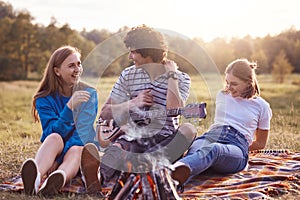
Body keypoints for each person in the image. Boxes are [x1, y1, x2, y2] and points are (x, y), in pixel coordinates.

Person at [81, 24, 197, 189]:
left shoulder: (181, 78)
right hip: (134, 136)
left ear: (148, 53)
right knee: (120, 146)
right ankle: (98, 178)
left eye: (133, 51)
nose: (129, 56)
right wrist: (133, 103)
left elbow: (173, 109)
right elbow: (106, 113)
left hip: (165, 139)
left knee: (189, 130)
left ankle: (151, 168)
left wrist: (171, 75)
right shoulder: (128, 75)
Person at [171, 58, 272, 187]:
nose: (229, 87)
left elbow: (260, 143)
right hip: (211, 136)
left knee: (213, 150)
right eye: (227, 82)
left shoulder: (262, 106)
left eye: (234, 84)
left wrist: (240, 149)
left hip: (236, 146)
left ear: (248, 83)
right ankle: (168, 185)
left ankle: (166, 175)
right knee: (196, 152)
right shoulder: (222, 95)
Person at [20, 45, 98, 196]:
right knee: (54, 138)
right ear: (57, 71)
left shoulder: (89, 93)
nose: (77, 69)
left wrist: (59, 160)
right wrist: (68, 108)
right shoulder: (43, 99)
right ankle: (35, 180)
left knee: (76, 149)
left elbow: (82, 133)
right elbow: (51, 131)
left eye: (79, 64)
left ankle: (57, 179)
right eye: (71, 66)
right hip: (53, 149)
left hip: (78, 148)